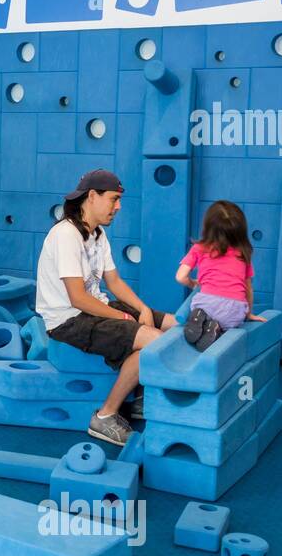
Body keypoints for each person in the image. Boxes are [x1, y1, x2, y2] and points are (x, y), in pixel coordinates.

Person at [35, 169, 177, 447]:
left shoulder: (97, 234)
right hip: (68, 321)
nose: (119, 206)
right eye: (114, 199)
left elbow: (113, 280)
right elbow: (77, 298)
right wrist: (125, 317)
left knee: (171, 324)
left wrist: (141, 308)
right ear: (92, 197)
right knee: (153, 340)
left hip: (94, 309)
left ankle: (139, 397)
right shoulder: (66, 235)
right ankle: (105, 416)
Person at [178, 200, 265, 351]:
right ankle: (216, 328)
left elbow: (180, 277)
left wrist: (194, 284)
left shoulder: (200, 248)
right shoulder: (243, 253)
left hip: (206, 304)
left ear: (208, 227)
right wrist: (249, 313)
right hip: (235, 311)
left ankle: (200, 316)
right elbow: (248, 288)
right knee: (227, 323)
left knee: (199, 301)